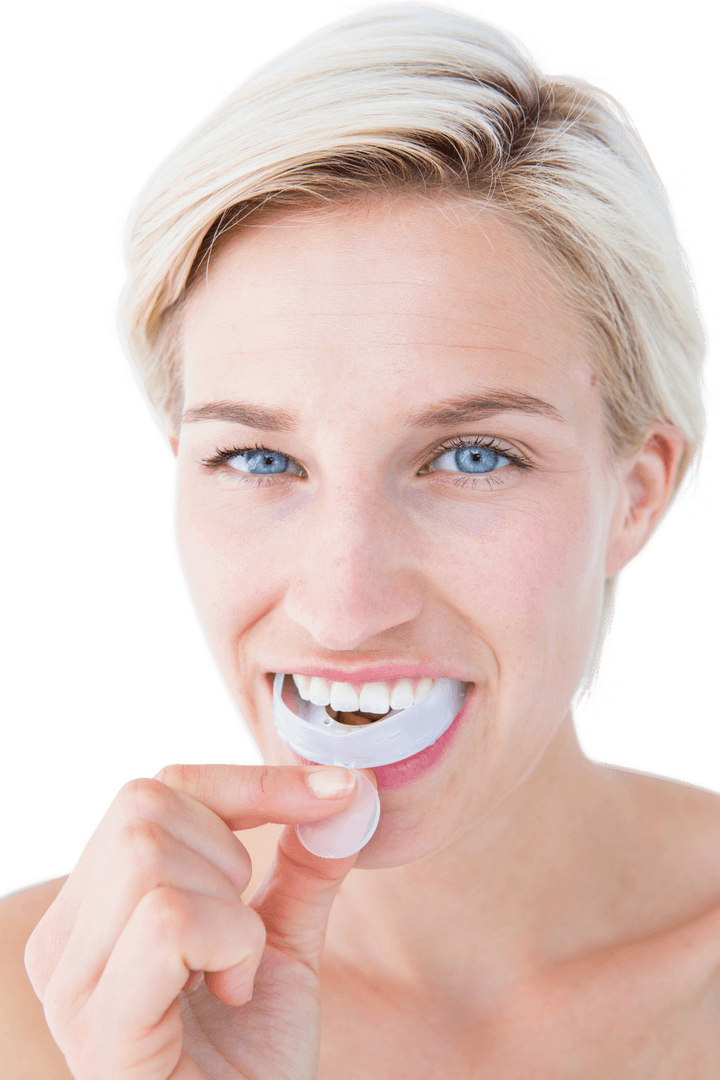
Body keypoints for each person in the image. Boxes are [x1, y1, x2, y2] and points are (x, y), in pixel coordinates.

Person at [2, 1, 718, 1075]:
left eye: (472, 455)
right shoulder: (33, 1011)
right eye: (258, 460)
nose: (343, 606)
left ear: (638, 491)